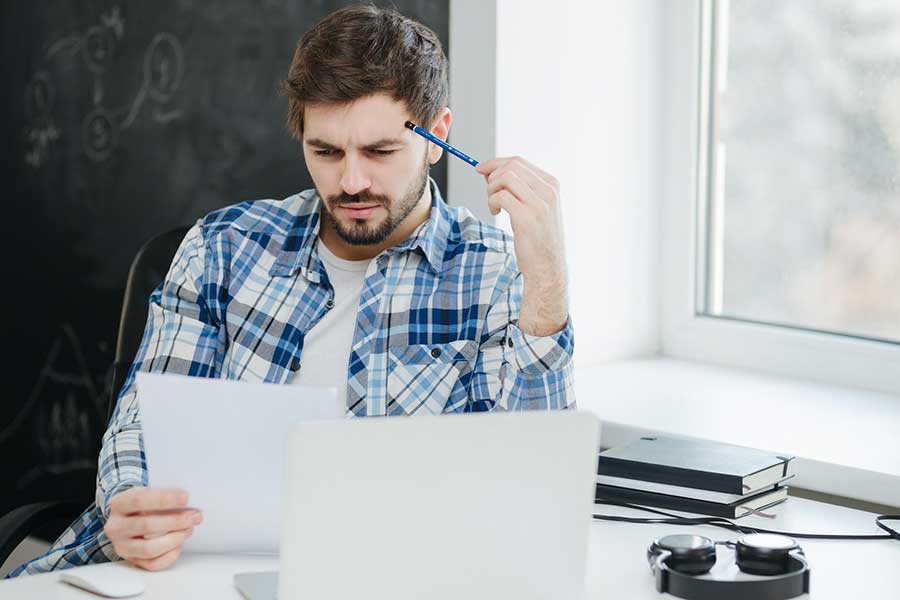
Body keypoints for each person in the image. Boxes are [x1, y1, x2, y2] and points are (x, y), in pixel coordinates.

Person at [10, 3, 573, 576]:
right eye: (325, 151)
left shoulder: (495, 274)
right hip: (186, 572)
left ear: (438, 136)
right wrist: (131, 502)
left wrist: (547, 279)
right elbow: (142, 425)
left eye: (380, 151)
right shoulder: (222, 248)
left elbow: (530, 490)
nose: (351, 181)